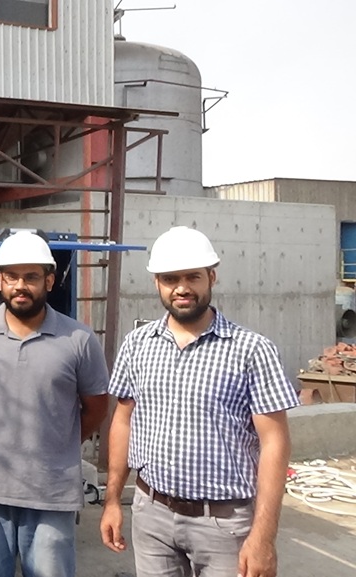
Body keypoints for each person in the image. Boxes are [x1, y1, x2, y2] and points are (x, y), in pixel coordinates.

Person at [100, 226, 299, 577]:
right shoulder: (137, 344)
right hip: (151, 516)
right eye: (170, 278)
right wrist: (113, 500)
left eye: (193, 277)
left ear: (211, 277)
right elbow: (123, 421)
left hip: (224, 525)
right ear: (156, 283)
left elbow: (274, 443)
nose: (182, 288)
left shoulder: (252, 350)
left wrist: (263, 537)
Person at [0, 230, 110, 577]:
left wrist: (57, 440)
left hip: (51, 493)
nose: (21, 286)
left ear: (49, 280)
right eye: (12, 276)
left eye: (31, 277)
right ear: (0, 281)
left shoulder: (79, 339)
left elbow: (96, 406)